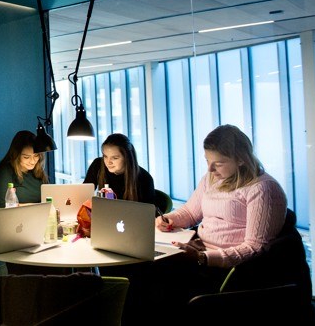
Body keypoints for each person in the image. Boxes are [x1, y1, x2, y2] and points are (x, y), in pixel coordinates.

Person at [119, 124, 288, 324]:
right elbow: (191, 211)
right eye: (207, 160)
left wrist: (202, 258)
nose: (209, 168)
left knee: (153, 283)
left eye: (218, 163)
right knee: (139, 274)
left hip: (229, 270)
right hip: (198, 252)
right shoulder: (212, 179)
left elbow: (255, 248)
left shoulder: (263, 189)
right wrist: (170, 220)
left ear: (241, 159)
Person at [83, 133, 155, 204]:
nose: (108, 162)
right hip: (105, 213)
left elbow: (147, 212)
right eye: (105, 156)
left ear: (127, 158)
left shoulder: (145, 178)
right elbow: (83, 193)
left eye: (115, 158)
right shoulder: (98, 164)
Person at [0, 130, 50, 207]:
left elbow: (48, 200)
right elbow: (4, 206)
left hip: (39, 216)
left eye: (36, 156)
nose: (32, 161)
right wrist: (39, 206)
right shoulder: (5, 171)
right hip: (15, 217)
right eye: (26, 157)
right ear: (16, 155)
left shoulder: (38, 171)